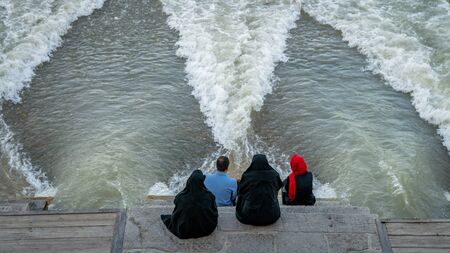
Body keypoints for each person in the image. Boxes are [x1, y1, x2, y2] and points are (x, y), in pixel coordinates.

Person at [160, 170, 218, 239]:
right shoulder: (209, 196)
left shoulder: (181, 198)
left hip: (185, 231)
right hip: (206, 229)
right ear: (202, 182)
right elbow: (214, 211)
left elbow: (177, 208)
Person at [236, 154, 283, 226]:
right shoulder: (274, 175)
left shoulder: (247, 176)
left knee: (241, 196)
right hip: (272, 215)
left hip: (250, 216)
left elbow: (241, 191)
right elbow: (278, 186)